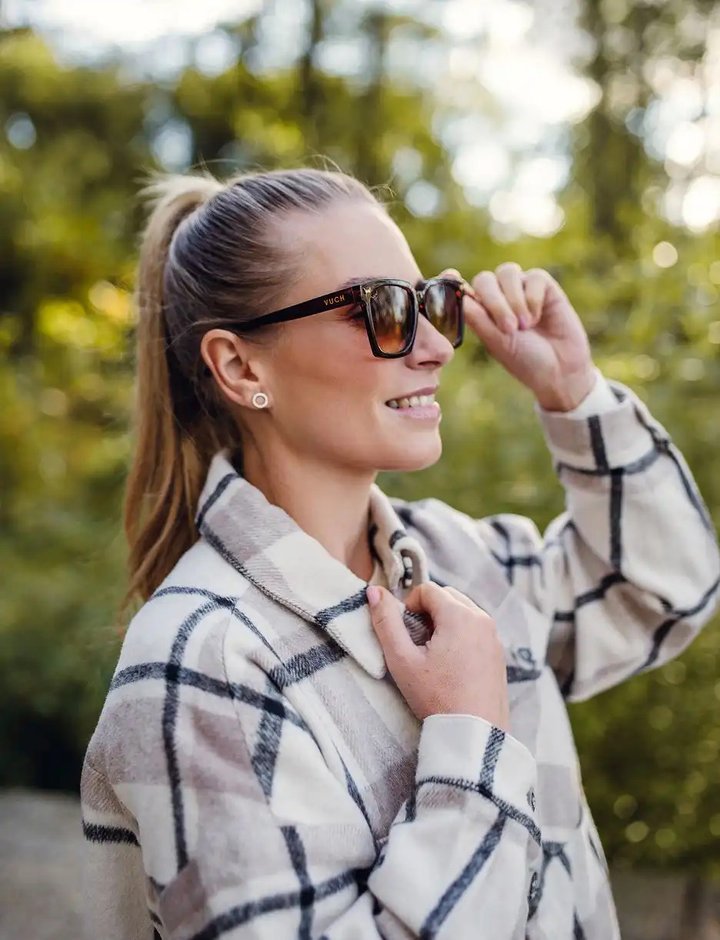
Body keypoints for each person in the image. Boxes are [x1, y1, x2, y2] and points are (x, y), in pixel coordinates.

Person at [79, 166, 719, 940]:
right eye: (381, 309)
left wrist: (574, 392)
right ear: (242, 367)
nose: (437, 347)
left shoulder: (463, 561)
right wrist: (471, 737)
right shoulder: (201, 662)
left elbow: (664, 592)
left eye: (432, 303)